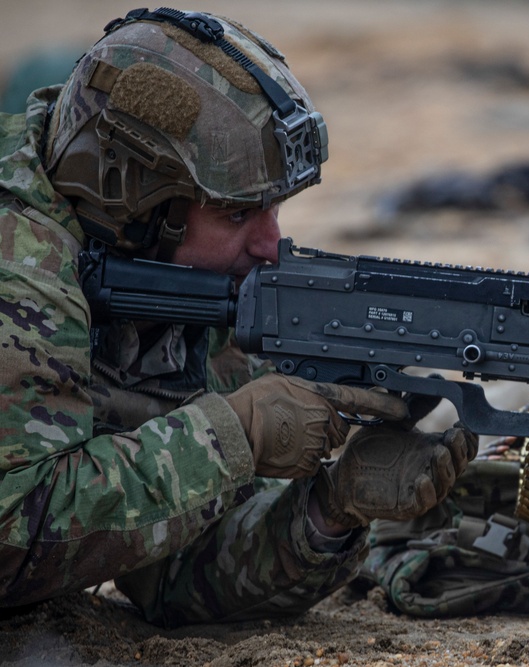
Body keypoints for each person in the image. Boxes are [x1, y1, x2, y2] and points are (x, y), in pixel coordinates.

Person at [0, 8, 476, 627]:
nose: (271, 244)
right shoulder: (21, 269)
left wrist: (328, 510)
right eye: (236, 215)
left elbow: (172, 570)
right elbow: (13, 537)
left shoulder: (171, 276)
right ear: (137, 201)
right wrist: (236, 436)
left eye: (273, 208)